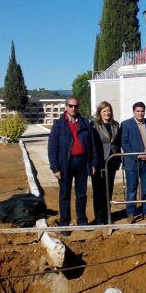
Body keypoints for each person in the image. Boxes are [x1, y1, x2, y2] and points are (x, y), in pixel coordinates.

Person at [48, 96, 98, 232]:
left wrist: (93, 163)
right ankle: (64, 223)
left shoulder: (85, 123)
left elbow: (92, 146)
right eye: (71, 106)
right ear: (66, 107)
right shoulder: (59, 124)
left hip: (82, 162)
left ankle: (82, 221)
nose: (73, 108)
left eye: (76, 106)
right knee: (65, 194)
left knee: (82, 194)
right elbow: (52, 147)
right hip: (65, 164)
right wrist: (55, 167)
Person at [120, 102, 146, 223]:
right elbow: (125, 143)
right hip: (133, 163)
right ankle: (131, 213)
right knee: (131, 189)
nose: (140, 113)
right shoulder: (126, 124)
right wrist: (137, 155)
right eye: (138, 111)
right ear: (134, 112)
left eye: (142, 111)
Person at [91, 101, 121, 225]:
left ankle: (108, 215)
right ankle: (99, 217)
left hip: (111, 161)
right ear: (100, 113)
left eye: (109, 111)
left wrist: (118, 158)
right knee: (99, 190)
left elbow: (117, 143)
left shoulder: (115, 125)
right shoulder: (94, 126)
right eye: (104, 111)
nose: (107, 113)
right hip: (99, 162)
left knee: (109, 189)